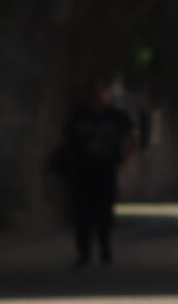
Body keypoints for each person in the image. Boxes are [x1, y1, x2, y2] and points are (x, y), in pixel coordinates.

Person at [51, 81, 136, 268]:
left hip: (106, 170)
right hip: (82, 171)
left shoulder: (116, 116)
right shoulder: (79, 116)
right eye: (94, 92)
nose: (97, 96)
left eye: (101, 92)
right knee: (81, 213)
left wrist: (124, 159)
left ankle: (105, 248)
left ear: (107, 95)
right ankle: (84, 253)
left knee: (103, 212)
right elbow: (64, 140)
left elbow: (133, 136)